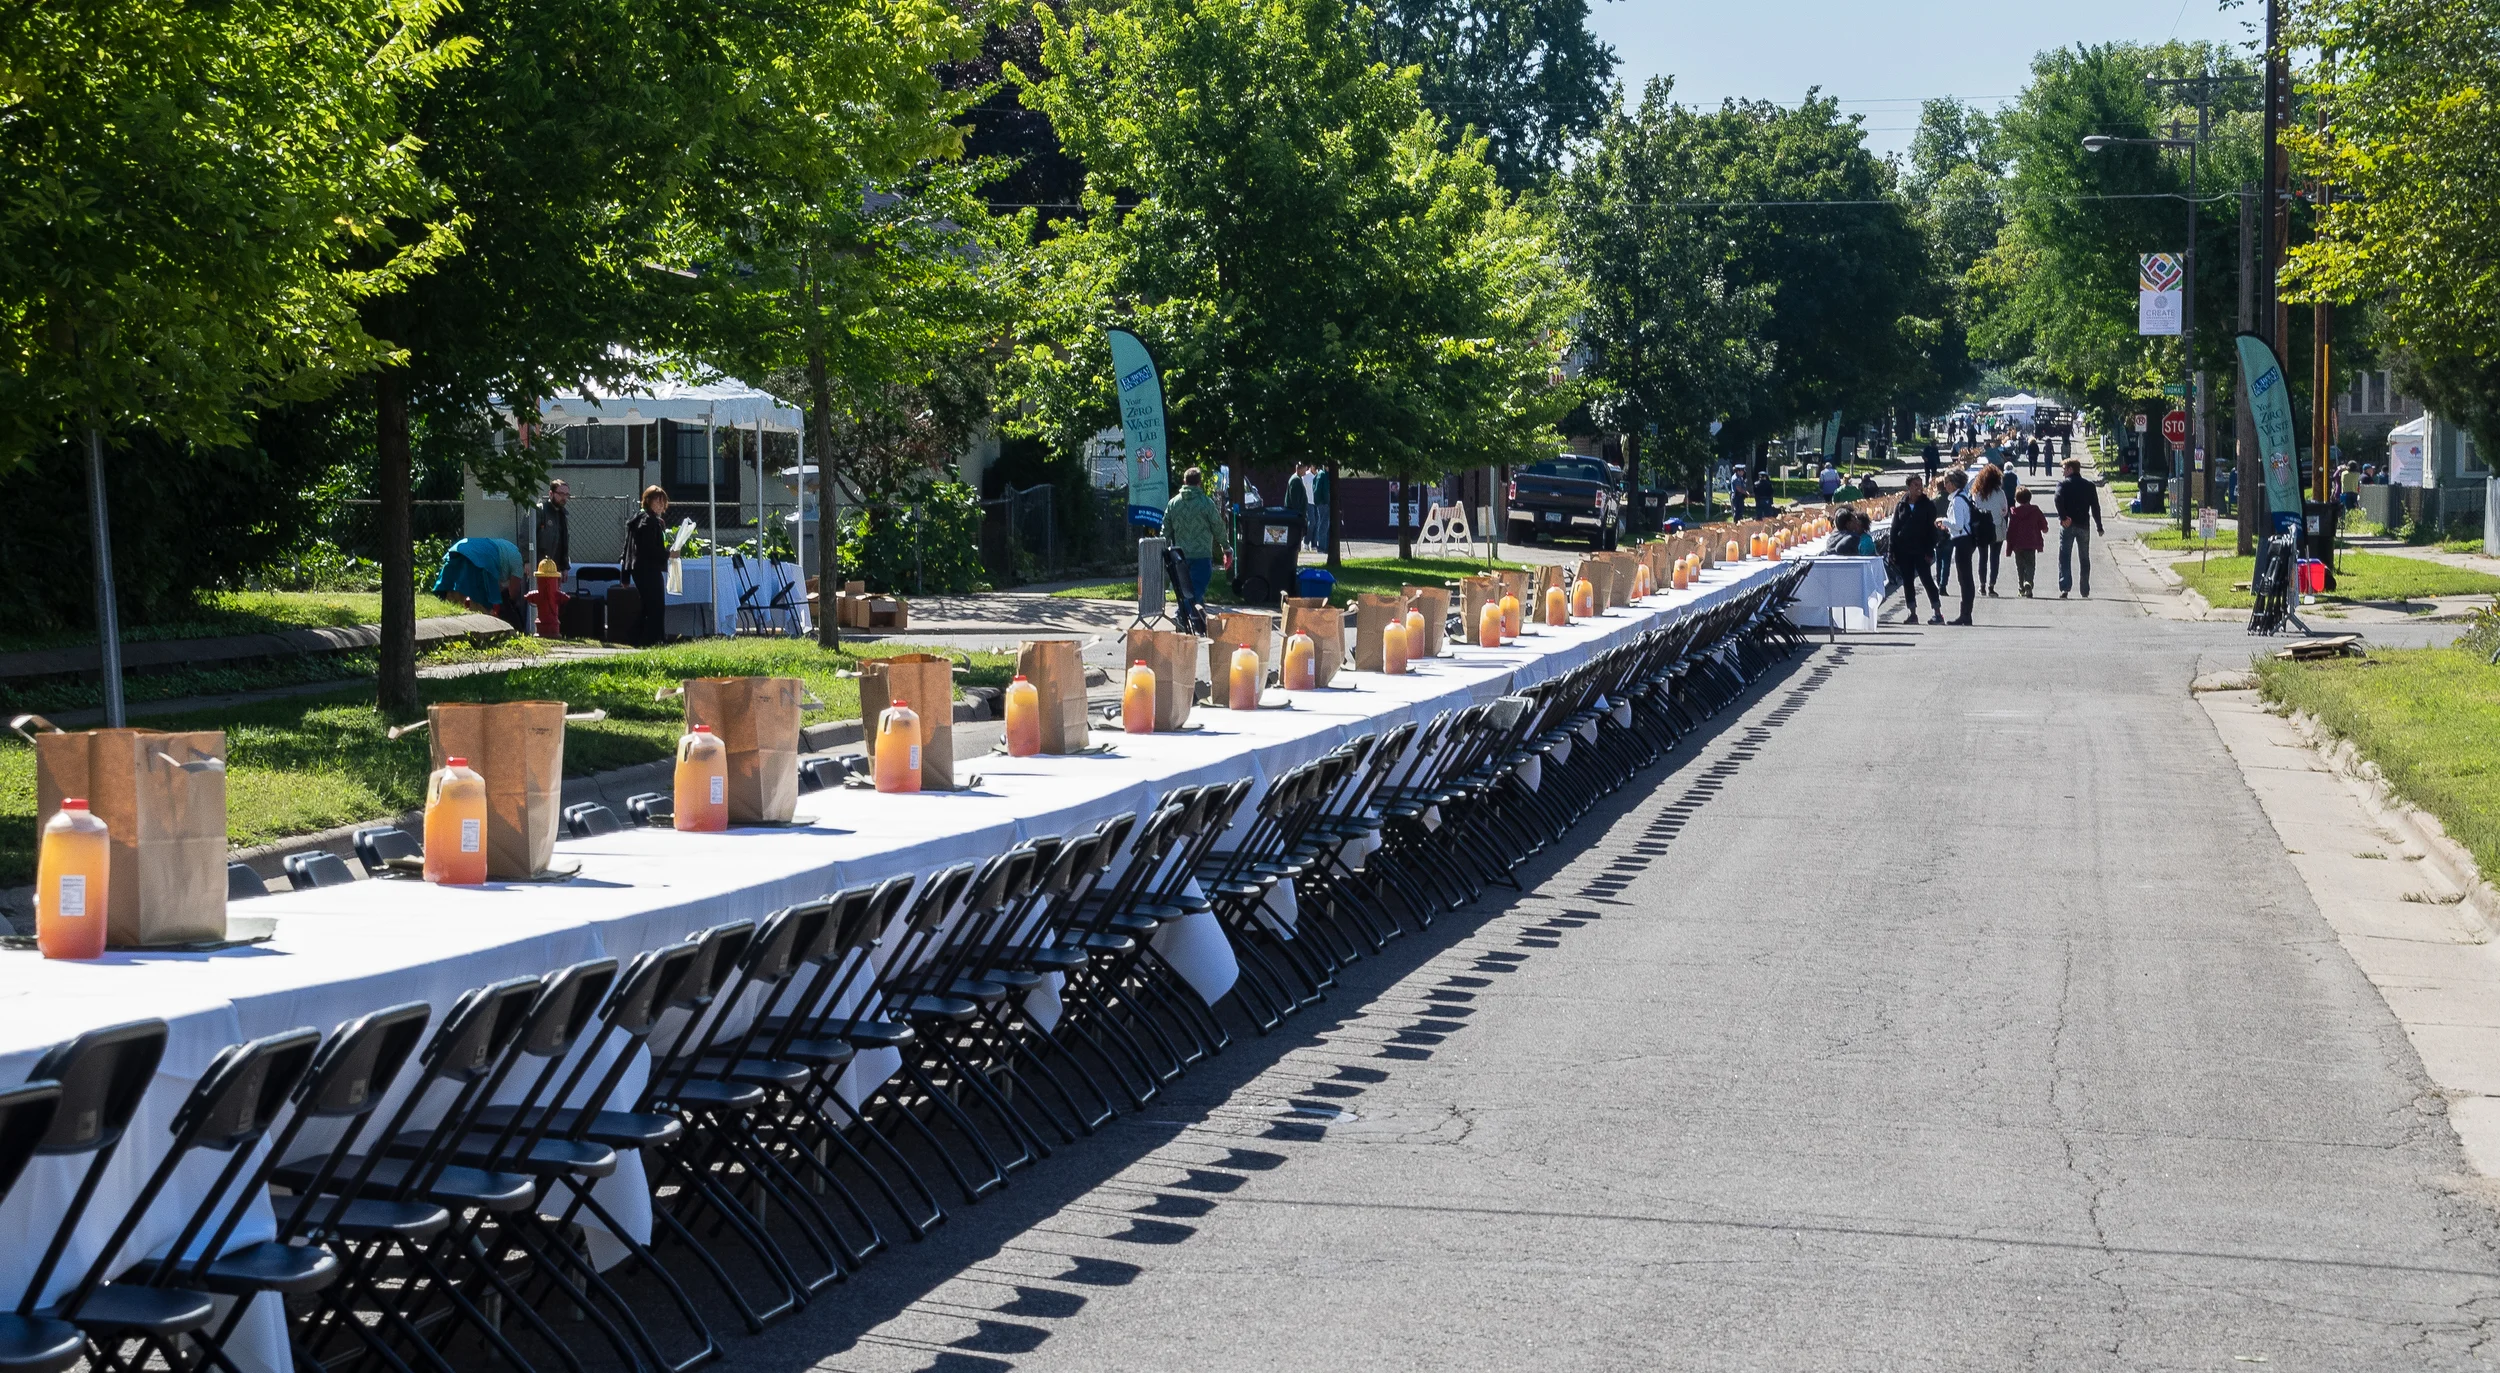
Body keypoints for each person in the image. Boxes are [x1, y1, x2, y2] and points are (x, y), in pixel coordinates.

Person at [1163, 466, 1224, 623]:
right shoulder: (1206, 503)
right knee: (1195, 590)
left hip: (1180, 556)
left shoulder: (1173, 503)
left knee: (1187, 590)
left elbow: (1165, 530)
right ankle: (1180, 615)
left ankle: (1198, 623)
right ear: (1199, 483)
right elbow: (1218, 527)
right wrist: (1226, 547)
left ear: (1184, 481)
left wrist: (1163, 550)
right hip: (1201, 554)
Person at [433, 536, 528, 628]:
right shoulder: (519, 562)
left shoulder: (507, 549)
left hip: (460, 549)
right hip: (481, 560)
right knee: (480, 607)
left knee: (454, 599)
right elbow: (513, 591)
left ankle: (449, 627)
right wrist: (513, 605)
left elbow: (497, 584)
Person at [620, 485, 672, 645]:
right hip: (648, 568)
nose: (661, 505)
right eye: (657, 501)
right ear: (648, 501)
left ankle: (636, 637)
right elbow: (649, 549)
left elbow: (627, 548)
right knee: (656, 605)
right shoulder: (649, 521)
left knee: (648, 605)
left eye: (663, 502)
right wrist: (669, 554)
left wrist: (625, 575)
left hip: (638, 569)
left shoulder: (638, 518)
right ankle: (652, 639)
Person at [1889, 474, 1944, 624]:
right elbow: (1894, 528)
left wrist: (1929, 550)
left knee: (1927, 580)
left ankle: (1937, 612)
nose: (1919, 488)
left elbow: (1932, 530)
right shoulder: (1902, 505)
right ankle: (1912, 613)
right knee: (1907, 581)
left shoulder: (1927, 505)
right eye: (1915, 485)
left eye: (1920, 484)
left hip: (1922, 550)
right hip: (1904, 550)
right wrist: (1891, 550)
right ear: (1908, 487)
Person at [2053, 456, 2102, 598]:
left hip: (2067, 525)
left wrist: (2063, 517)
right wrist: (2099, 525)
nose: (2063, 472)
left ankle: (2065, 587)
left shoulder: (2062, 484)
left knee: (2065, 556)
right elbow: (2095, 507)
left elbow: (2057, 499)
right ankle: (2084, 589)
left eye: (2064, 469)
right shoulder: (2089, 485)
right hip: (2083, 524)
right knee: (2084, 557)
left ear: (2070, 469)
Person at [1941, 470, 1980, 625]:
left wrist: (1943, 521)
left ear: (1954, 483)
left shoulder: (1958, 500)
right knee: (1965, 578)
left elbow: (1958, 524)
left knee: (1965, 578)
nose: (1945, 485)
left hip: (1963, 540)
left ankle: (1965, 614)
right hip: (1966, 540)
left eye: (1947, 482)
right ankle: (1965, 613)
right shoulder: (1963, 496)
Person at [1969, 463, 2008, 596]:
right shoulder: (2000, 493)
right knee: (1995, 557)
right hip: (1996, 527)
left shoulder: (1977, 493)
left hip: (1981, 528)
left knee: (1983, 557)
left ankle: (1982, 585)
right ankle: (1992, 585)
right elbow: (2004, 511)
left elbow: (1974, 509)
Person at [2006, 489, 2048, 596]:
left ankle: (2021, 588)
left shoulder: (2014, 512)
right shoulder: (2035, 510)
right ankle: (2028, 582)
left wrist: (2009, 546)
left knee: (2020, 566)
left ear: (2017, 499)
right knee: (2030, 565)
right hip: (2031, 542)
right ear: (2030, 498)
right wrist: (2044, 529)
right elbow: (2043, 523)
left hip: (2017, 544)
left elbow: (2011, 530)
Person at [535, 479, 571, 575]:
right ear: (551, 494)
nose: (564, 498)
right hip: (538, 567)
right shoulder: (539, 510)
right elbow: (526, 537)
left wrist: (565, 567)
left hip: (556, 569)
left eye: (566, 495)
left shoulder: (562, 515)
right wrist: (527, 561)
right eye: (561, 494)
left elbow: (563, 543)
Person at [1284, 462, 1311, 548]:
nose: (1306, 469)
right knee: (1295, 536)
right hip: (1295, 515)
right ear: (1299, 469)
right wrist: (1298, 514)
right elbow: (1295, 500)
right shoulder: (1296, 480)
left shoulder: (1298, 479)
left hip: (1297, 514)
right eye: (1304, 468)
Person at [1309, 464, 1331, 554]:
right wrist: (1324, 501)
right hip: (1323, 503)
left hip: (1324, 502)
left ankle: (1325, 546)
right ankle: (1322, 547)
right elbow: (1319, 490)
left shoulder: (1324, 474)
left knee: (1325, 524)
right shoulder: (1322, 475)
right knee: (1323, 525)